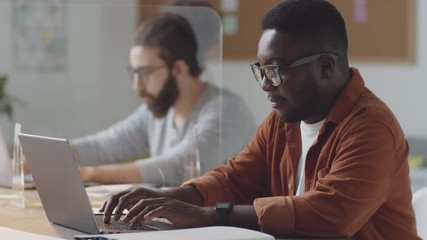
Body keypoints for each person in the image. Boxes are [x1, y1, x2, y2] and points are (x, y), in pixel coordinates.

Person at [99, 0, 420, 239]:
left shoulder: (370, 128)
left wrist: (207, 215)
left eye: (275, 70)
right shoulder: (283, 121)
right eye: (262, 70)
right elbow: (235, 178)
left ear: (324, 66)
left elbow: (331, 215)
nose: (265, 84)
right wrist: (169, 197)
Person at [71, 12, 257, 186]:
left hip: (222, 221)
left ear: (179, 70)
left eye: (145, 73)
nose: (137, 86)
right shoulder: (159, 108)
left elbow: (178, 166)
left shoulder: (228, 111)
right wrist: (58, 153)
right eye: (134, 73)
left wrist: (90, 174)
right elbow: (106, 145)